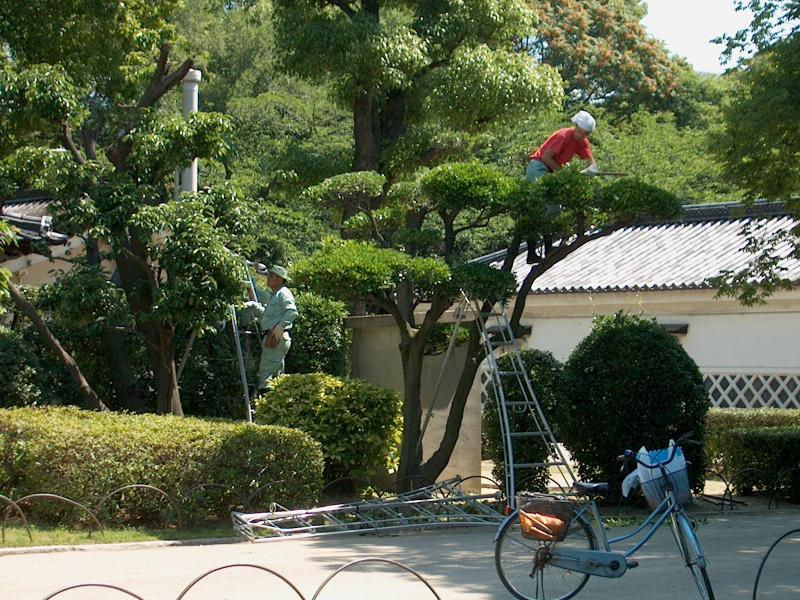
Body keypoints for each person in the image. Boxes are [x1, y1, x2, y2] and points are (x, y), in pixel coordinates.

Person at [246, 264, 298, 392]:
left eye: (271, 275)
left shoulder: (283, 293)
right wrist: (255, 306)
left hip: (276, 337)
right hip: (273, 336)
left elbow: (292, 312)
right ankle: (275, 405)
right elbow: (269, 316)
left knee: (265, 373)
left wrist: (280, 327)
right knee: (277, 376)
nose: (268, 278)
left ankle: (264, 406)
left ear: (279, 279)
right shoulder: (275, 295)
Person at [526, 110, 599, 181]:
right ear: (575, 126)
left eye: (585, 134)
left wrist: (592, 169)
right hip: (538, 166)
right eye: (579, 131)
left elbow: (591, 162)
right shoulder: (563, 136)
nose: (580, 135)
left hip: (551, 171)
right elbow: (546, 157)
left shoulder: (582, 142)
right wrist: (564, 173)